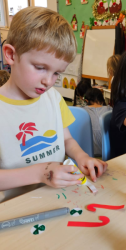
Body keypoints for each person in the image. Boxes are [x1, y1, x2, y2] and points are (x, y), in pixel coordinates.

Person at [0, 7, 107, 202]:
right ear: (11, 55)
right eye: (40, 68)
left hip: (57, 198)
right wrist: (41, 173)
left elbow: (66, 141)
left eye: (57, 73)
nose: (49, 81)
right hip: (15, 208)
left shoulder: (54, 98)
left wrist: (82, 157)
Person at [83, 88, 112, 156]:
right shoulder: (109, 109)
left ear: (86, 101)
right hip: (107, 150)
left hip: (87, 151)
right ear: (102, 100)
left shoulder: (82, 111)